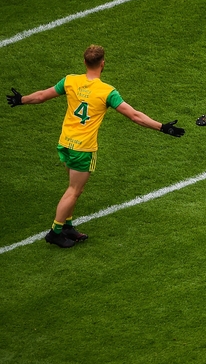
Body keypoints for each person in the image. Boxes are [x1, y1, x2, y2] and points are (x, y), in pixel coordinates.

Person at [6, 45, 185, 249]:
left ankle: (67, 226)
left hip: (65, 143)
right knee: (74, 190)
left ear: (84, 62)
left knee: (73, 187)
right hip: (82, 148)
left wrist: (21, 100)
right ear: (102, 63)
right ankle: (55, 232)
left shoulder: (70, 80)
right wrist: (162, 128)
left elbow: (41, 96)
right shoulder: (107, 92)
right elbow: (135, 116)